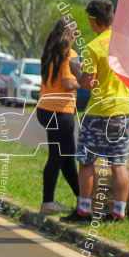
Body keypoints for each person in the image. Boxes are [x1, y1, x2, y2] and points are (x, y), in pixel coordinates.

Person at [62, 0, 129, 223]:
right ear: (112, 18)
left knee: (87, 161)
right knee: (119, 162)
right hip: (123, 110)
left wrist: (76, 69)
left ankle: (84, 210)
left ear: (92, 21)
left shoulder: (92, 48)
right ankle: (119, 212)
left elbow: (87, 84)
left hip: (98, 112)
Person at [35, 18, 81, 215]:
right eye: (75, 34)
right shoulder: (70, 55)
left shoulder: (49, 53)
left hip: (45, 108)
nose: (76, 38)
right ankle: (48, 202)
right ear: (69, 35)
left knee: (67, 156)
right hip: (60, 110)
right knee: (57, 156)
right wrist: (87, 81)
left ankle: (82, 199)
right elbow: (69, 83)